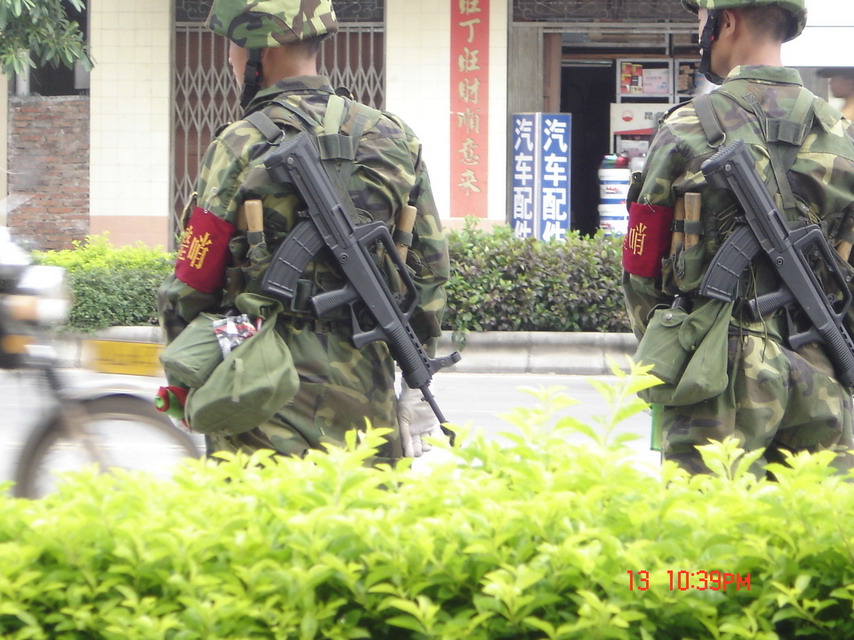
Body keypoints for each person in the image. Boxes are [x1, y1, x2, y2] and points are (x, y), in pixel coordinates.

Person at [158, 0, 450, 462]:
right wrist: (416, 381)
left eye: (233, 45)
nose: (229, 59)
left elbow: (193, 280)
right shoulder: (394, 138)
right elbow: (428, 272)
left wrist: (187, 370)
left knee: (262, 508)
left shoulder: (239, 144)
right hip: (367, 395)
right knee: (357, 506)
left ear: (261, 50)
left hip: (259, 388)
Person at [622, 0, 854, 475]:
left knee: (710, 518)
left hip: (714, 371)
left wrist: (668, 353)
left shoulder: (686, 126)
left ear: (726, 21)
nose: (698, 30)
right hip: (823, 371)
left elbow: (642, 267)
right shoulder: (842, 135)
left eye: (700, 18)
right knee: (814, 519)